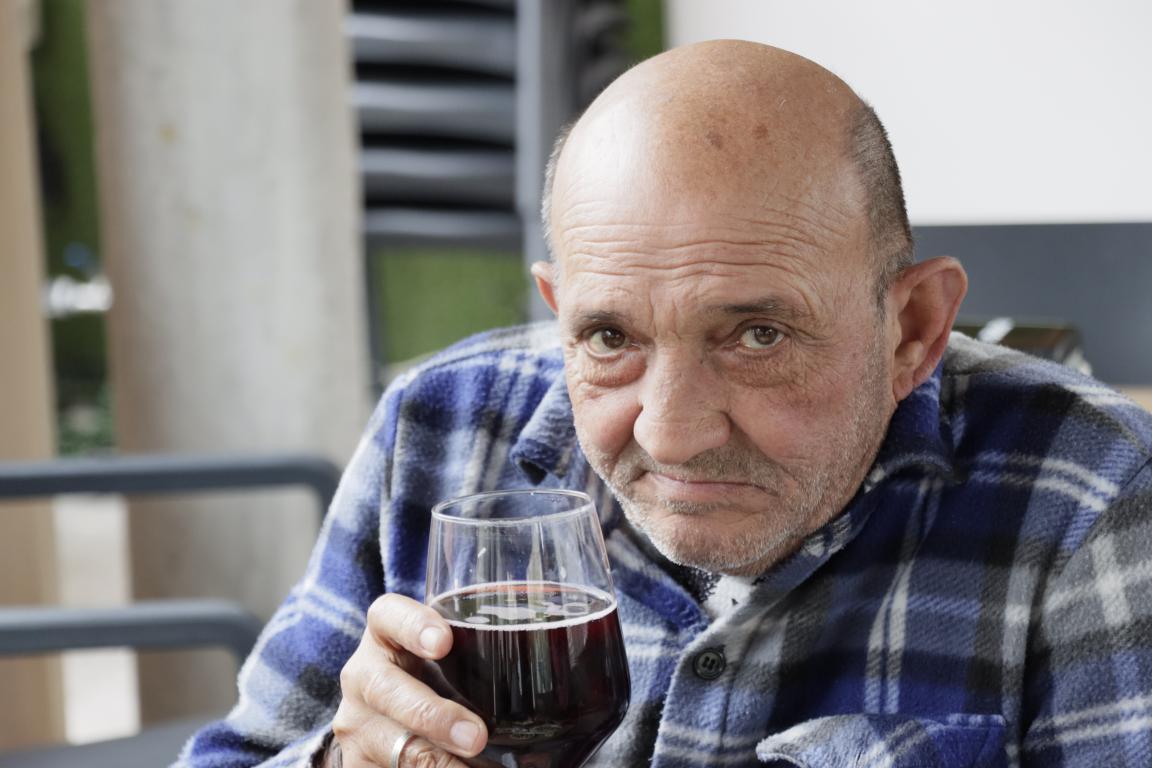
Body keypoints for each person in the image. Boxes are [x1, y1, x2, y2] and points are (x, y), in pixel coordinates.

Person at [177, 40, 1152, 768]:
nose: (670, 433)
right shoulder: (437, 428)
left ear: (912, 330)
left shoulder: (1097, 498)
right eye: (610, 337)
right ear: (559, 310)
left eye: (758, 336)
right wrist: (341, 760)